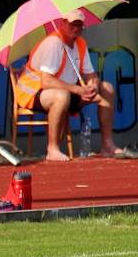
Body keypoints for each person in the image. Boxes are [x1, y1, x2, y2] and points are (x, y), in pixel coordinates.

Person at [14, 9, 124, 161]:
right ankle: (52, 149)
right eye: (72, 24)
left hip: (68, 91)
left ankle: (107, 145)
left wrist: (93, 85)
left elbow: (91, 75)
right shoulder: (53, 43)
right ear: (63, 24)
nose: (75, 28)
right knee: (61, 96)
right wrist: (79, 89)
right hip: (34, 93)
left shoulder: (80, 44)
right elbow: (46, 82)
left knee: (107, 89)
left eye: (79, 25)